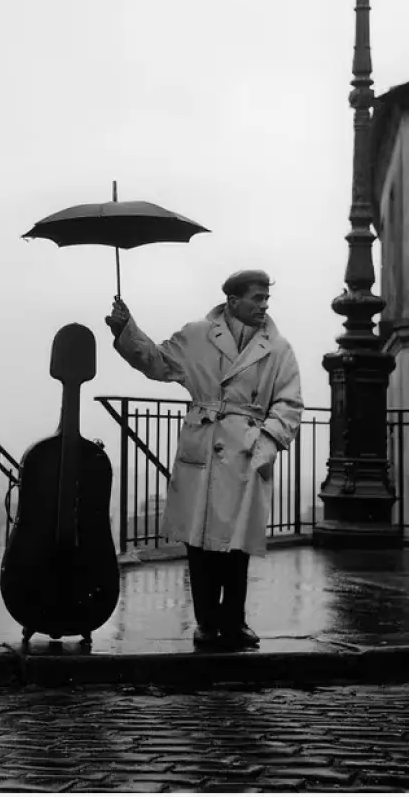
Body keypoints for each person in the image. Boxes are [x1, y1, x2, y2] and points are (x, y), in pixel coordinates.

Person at [106, 270, 302, 650]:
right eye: (256, 298)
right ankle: (206, 622)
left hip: (247, 449)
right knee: (199, 542)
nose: (263, 306)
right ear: (232, 301)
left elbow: (289, 402)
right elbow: (157, 362)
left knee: (238, 543)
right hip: (205, 444)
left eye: (266, 299)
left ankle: (235, 622)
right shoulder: (196, 336)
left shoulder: (278, 349)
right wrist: (125, 329)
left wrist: (267, 440)